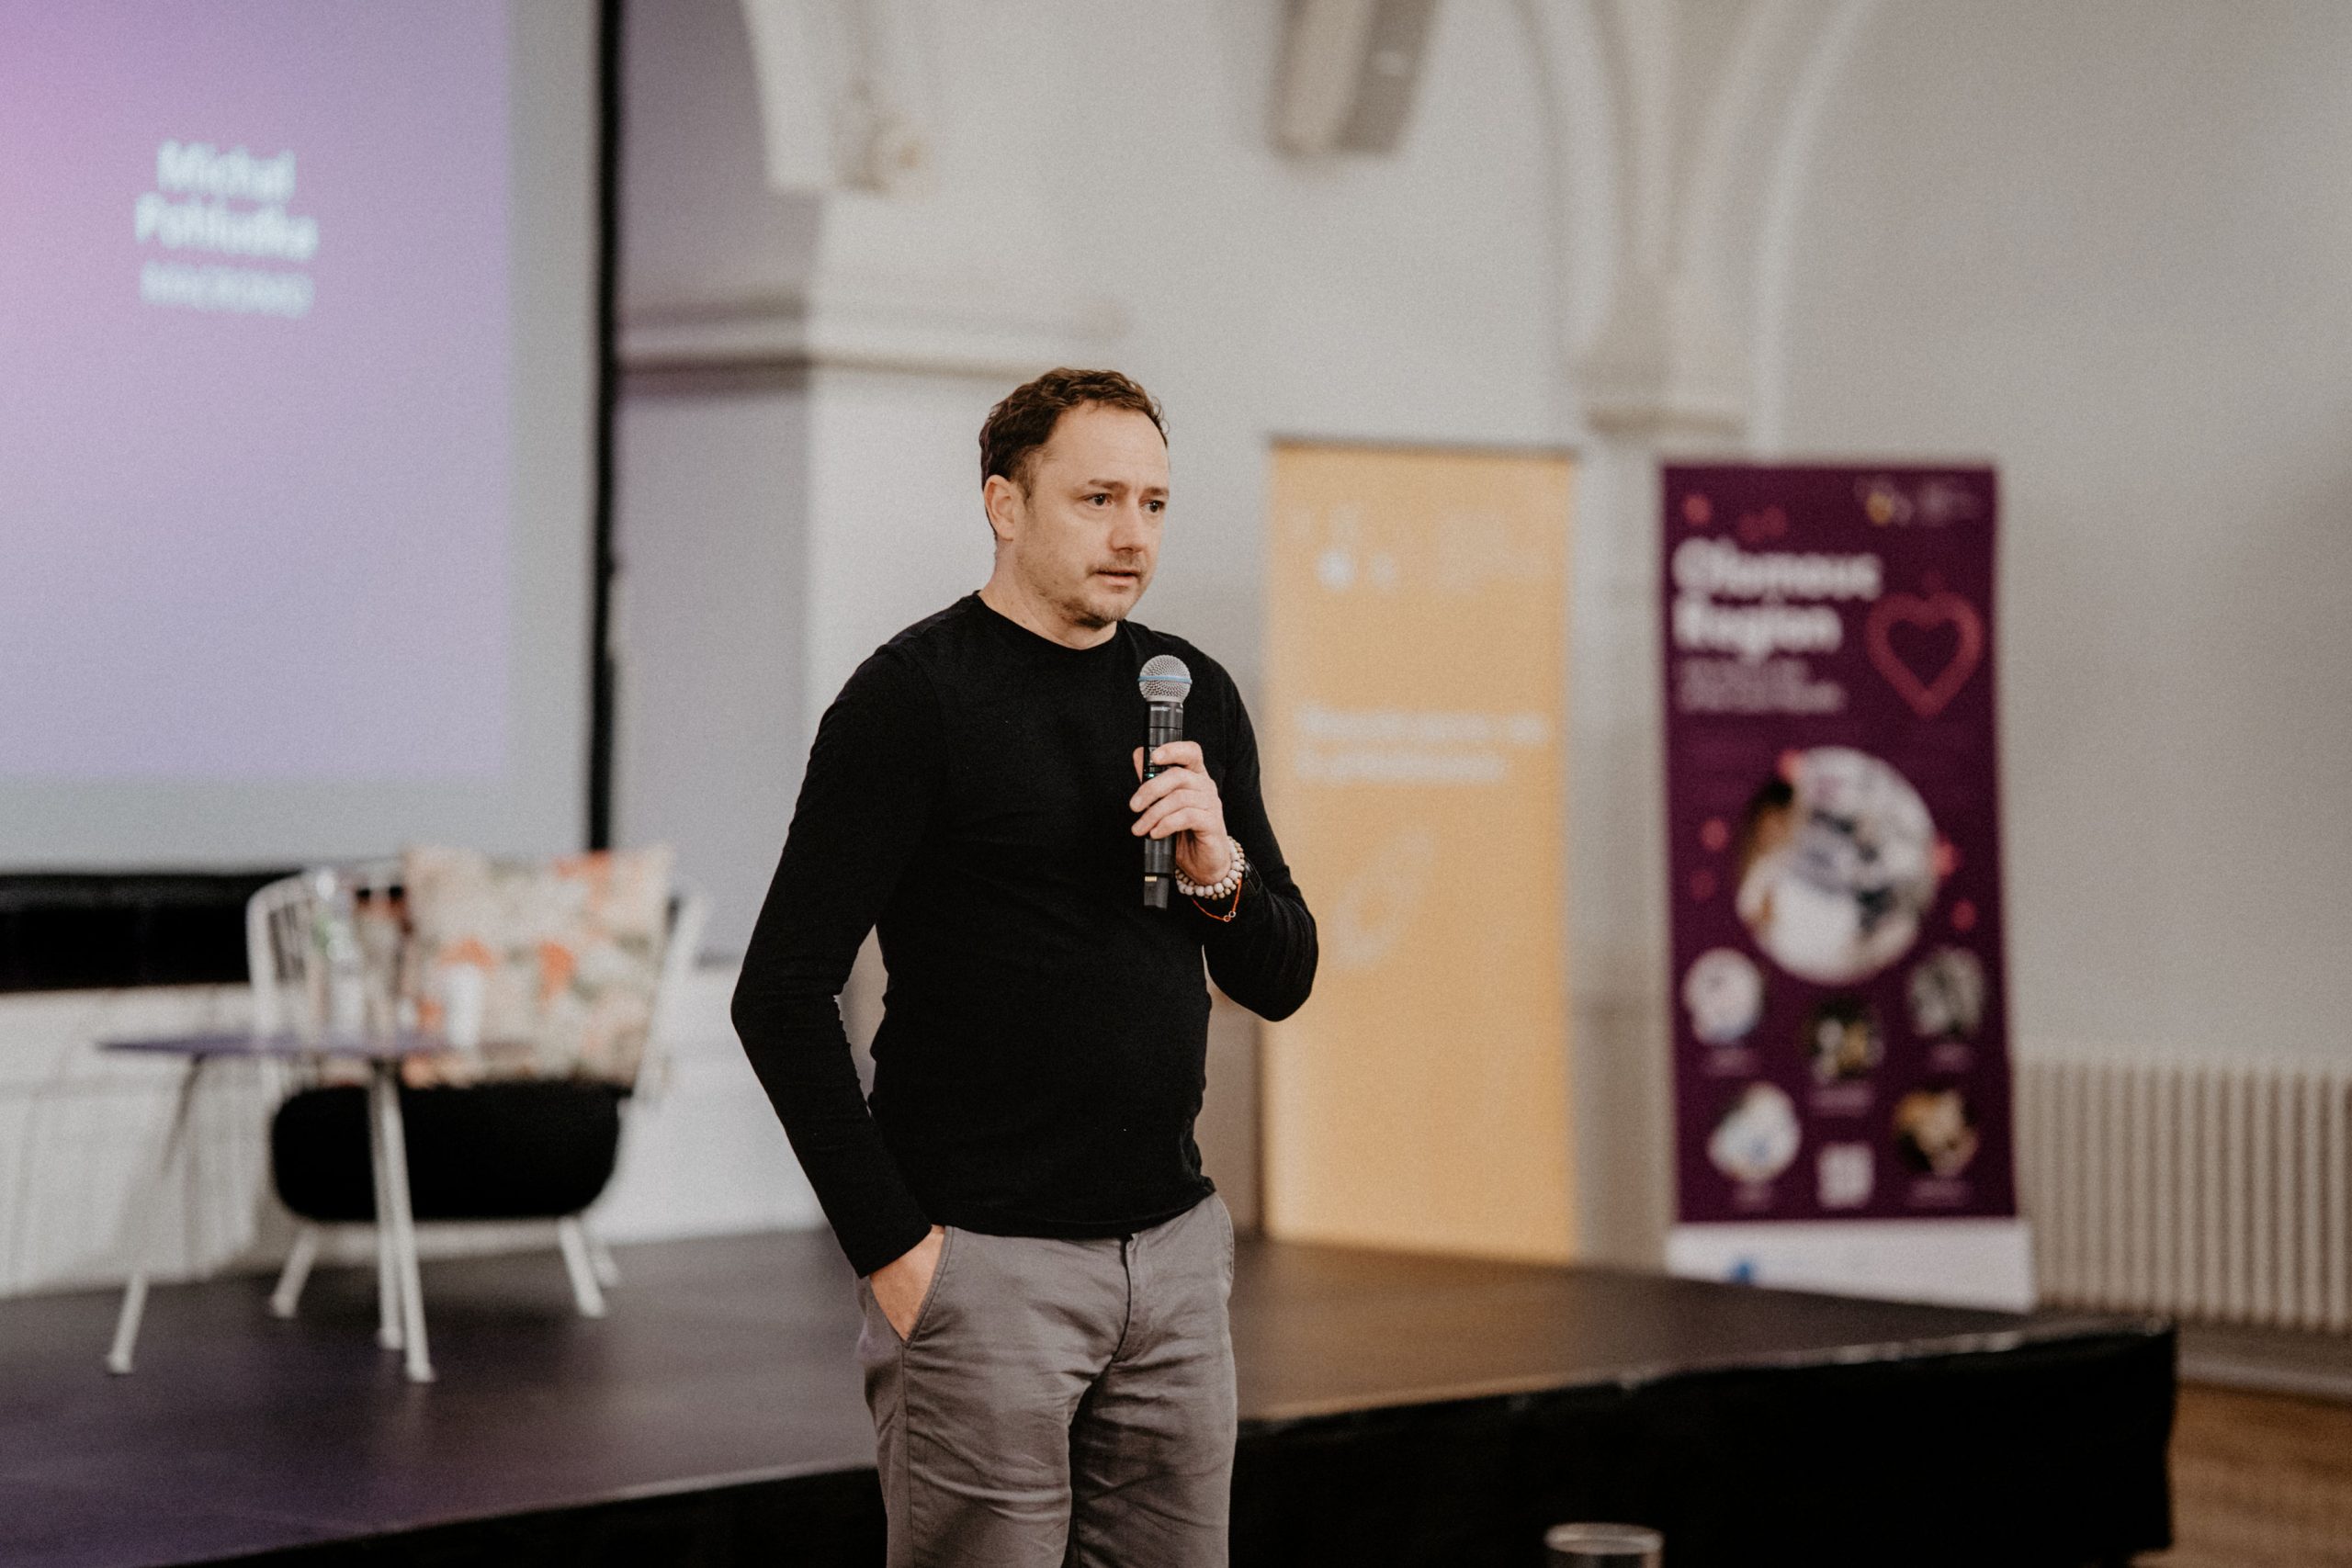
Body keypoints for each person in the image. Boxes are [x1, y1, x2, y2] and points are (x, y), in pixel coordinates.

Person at [732, 367, 1317, 1566]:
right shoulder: (912, 700)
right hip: (984, 1268)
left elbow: (1283, 976)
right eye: (1098, 499)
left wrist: (1218, 871)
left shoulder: (1189, 692)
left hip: (1174, 1254)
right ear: (1004, 504)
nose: (1132, 535)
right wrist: (897, 1254)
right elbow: (779, 993)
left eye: (1154, 503)